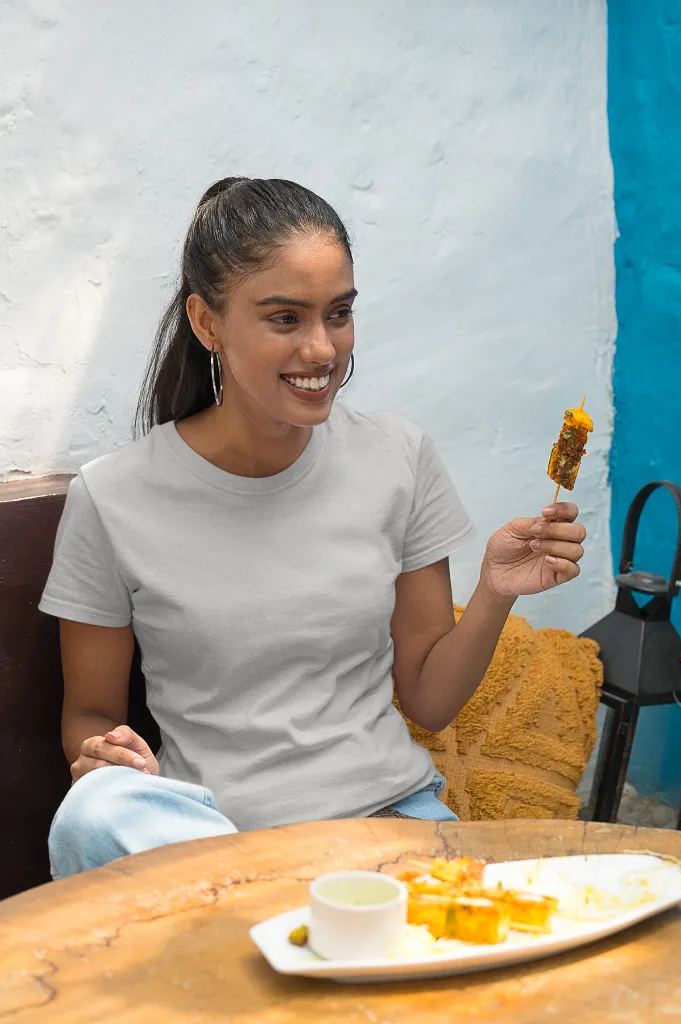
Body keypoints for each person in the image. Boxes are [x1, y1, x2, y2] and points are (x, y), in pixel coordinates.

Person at [41, 177, 586, 879]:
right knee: (93, 813)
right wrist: (103, 759)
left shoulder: (398, 456)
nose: (323, 349)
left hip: (388, 829)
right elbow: (88, 716)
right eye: (285, 319)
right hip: (216, 847)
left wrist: (494, 590)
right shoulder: (112, 497)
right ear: (207, 323)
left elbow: (428, 699)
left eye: (339, 313)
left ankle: (281, 948)